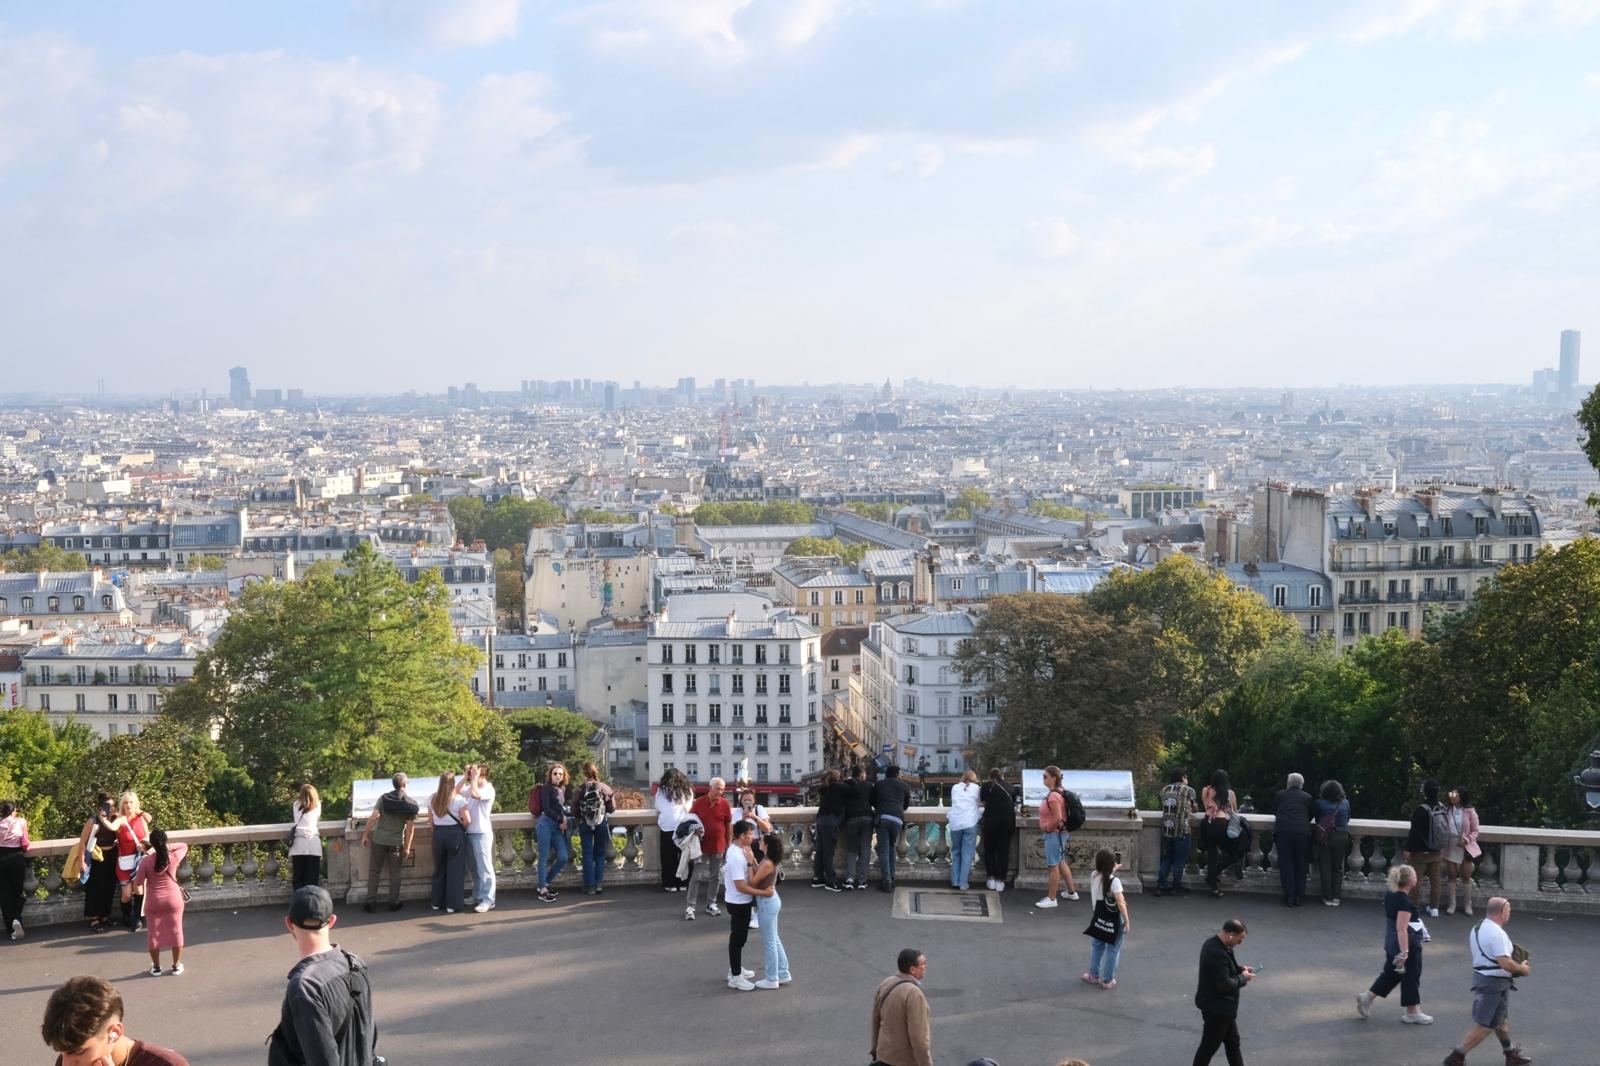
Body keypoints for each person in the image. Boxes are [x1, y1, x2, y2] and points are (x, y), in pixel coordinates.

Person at [268, 885, 380, 1066]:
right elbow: (369, 1033)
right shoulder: (355, 963)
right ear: (332, 921)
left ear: (289, 923)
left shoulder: (304, 987)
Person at [1443, 897, 1533, 1066]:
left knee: (1501, 1021)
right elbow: (1506, 964)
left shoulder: (1478, 927)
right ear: (1502, 912)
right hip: (1493, 984)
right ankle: (1455, 1057)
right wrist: (1522, 969)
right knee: (1485, 1026)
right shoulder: (1497, 934)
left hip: (1485, 979)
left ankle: (1510, 1054)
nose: (1510, 914)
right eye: (1509, 911)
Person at [41, 974, 189, 1065]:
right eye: (62, 1052)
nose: (66, 1064)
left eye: (79, 1052)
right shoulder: (69, 1056)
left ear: (115, 1033)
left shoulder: (168, 1064)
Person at [1354, 863, 1433, 1025]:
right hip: (1405, 943)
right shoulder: (1405, 902)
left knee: (1392, 972)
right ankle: (1412, 1011)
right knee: (1411, 975)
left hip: (1391, 940)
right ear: (1411, 880)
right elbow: (1402, 929)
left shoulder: (1390, 894)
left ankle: (1367, 997)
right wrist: (1405, 952)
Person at [1193, 918, 1255, 1066]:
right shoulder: (1218, 953)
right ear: (1231, 935)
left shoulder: (1213, 944)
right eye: (1239, 940)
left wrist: (1239, 969)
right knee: (1208, 1047)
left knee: (1233, 1043)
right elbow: (1224, 984)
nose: (1240, 944)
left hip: (1222, 1009)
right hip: (1218, 1009)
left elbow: (1222, 971)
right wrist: (1243, 978)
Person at [130, 828, 187, 976]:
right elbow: (183, 845)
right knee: (176, 931)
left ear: (152, 844)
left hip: (154, 901)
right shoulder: (173, 858)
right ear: (165, 841)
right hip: (173, 899)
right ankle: (176, 965)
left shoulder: (146, 861)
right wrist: (165, 847)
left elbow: (139, 882)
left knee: (153, 933)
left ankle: (156, 967)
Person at [359, 772, 417, 914]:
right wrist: (408, 848)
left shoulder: (383, 798)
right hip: (396, 842)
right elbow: (409, 829)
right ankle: (394, 902)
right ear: (405, 784)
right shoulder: (411, 804)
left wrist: (365, 834)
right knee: (395, 873)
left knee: (374, 872)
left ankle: (370, 903)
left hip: (379, 840)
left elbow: (373, 818)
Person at [722, 819, 765, 991]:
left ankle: (735, 969)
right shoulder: (735, 856)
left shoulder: (743, 850)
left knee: (740, 938)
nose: (753, 837)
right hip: (738, 902)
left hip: (741, 901)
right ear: (741, 836)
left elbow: (755, 869)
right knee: (737, 939)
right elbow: (740, 885)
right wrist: (762, 893)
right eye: (750, 834)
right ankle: (735, 977)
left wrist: (752, 860)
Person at [870, 948, 932, 1066]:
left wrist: (875, 1050)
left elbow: (876, 1020)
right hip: (903, 1061)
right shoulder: (914, 994)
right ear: (912, 969)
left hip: (884, 1055)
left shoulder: (886, 983)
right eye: (923, 963)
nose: (926, 966)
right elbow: (919, 1038)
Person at [1082, 848, 1131, 990]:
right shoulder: (1115, 882)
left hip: (1098, 918)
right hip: (1114, 920)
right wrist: (1127, 921)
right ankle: (1108, 980)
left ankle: (1093, 975)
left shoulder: (1094, 876)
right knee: (1113, 949)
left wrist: (1113, 868)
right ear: (1111, 864)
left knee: (1097, 946)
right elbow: (1120, 903)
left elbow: (1105, 877)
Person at [687, 776, 733, 918]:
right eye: (718, 789)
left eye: (722, 789)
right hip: (700, 847)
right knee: (697, 876)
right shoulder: (699, 803)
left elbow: (728, 825)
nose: (720, 792)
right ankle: (690, 906)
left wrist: (729, 844)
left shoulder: (725, 804)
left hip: (719, 846)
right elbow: (689, 821)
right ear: (710, 788)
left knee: (715, 877)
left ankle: (711, 903)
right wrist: (694, 830)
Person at [750, 830, 791, 989]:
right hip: (770, 901)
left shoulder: (768, 862)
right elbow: (759, 873)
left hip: (767, 903)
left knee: (769, 942)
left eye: (761, 840)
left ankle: (772, 977)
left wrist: (748, 863)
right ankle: (782, 972)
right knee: (774, 939)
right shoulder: (768, 860)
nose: (758, 841)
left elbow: (753, 882)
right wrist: (752, 860)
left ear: (766, 845)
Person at [107, 791, 153, 931]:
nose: (128, 805)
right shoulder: (120, 819)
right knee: (126, 894)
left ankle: (137, 918)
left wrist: (143, 844)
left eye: (131, 802)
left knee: (138, 890)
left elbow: (147, 834)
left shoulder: (141, 818)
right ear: (122, 805)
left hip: (139, 860)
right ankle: (126, 916)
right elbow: (112, 827)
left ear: (136, 804)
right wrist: (102, 818)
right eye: (126, 802)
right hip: (124, 862)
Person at [1035, 765, 1080, 907]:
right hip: (1061, 833)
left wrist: (1047, 828)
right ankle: (1072, 892)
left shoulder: (1054, 795)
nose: (1043, 778)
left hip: (1055, 835)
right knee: (1060, 861)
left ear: (1054, 778)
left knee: (1053, 866)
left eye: (1045, 776)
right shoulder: (1061, 791)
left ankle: (1052, 899)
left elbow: (1058, 817)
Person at [75, 792, 120, 932]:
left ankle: (105, 916)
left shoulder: (115, 819)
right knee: (95, 888)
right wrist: (82, 861)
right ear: (100, 806)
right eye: (108, 806)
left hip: (112, 855)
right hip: (96, 856)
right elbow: (82, 842)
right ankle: (94, 918)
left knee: (110, 886)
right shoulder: (92, 821)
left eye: (113, 806)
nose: (111, 809)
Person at [427, 772, 471, 914]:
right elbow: (467, 821)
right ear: (453, 783)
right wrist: (460, 828)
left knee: (439, 869)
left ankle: (436, 902)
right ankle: (452, 904)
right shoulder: (459, 800)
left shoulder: (432, 799)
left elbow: (431, 822)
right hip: (454, 834)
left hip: (438, 834)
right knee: (455, 871)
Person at [456, 763, 497, 912]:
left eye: (475, 774)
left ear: (483, 775)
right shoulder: (471, 785)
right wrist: (465, 777)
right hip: (469, 832)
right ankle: (478, 895)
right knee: (474, 868)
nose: (472, 777)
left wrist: (473, 779)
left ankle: (489, 899)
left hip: (482, 833)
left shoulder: (488, 789)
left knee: (485, 868)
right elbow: (456, 792)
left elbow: (475, 795)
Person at [1404, 779, 1446, 917]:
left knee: (1416, 879)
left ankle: (1414, 906)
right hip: (1436, 850)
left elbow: (1414, 833)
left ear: (1425, 792)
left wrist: (1408, 849)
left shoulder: (1421, 810)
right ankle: (1434, 908)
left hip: (1421, 852)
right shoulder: (1441, 807)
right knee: (1436, 880)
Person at [1272, 773, 1314, 907]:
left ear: (1288, 783)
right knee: (1301, 865)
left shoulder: (1280, 795)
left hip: (1283, 832)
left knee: (1286, 864)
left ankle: (1289, 896)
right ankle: (1299, 896)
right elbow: (1310, 815)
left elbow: (1275, 811)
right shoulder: (1307, 797)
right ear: (1301, 784)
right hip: (1301, 832)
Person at [576, 762, 616, 896]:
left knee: (587, 853)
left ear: (584, 774)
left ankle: (590, 885)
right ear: (596, 772)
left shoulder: (580, 789)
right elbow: (612, 808)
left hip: (585, 823)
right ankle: (599, 883)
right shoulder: (604, 788)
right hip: (601, 823)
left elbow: (574, 809)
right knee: (600, 853)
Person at [1155, 767, 1197, 897]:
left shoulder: (1164, 790)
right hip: (1182, 830)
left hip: (1168, 829)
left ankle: (1161, 885)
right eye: (1186, 777)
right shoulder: (1189, 790)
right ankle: (1176, 887)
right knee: (1180, 860)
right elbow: (1195, 808)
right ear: (1183, 777)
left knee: (1167, 858)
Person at [534, 763, 572, 903]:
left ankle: (546, 882)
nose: (557, 776)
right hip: (545, 824)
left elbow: (562, 808)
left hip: (557, 826)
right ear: (550, 775)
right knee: (543, 857)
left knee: (563, 856)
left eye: (560, 774)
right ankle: (542, 890)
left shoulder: (562, 789)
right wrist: (560, 819)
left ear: (563, 776)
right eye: (555, 773)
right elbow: (547, 808)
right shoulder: (546, 788)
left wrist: (565, 819)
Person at [871, 765, 913, 891]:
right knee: (891, 848)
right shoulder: (904, 786)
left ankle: (886, 881)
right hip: (897, 819)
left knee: (883, 850)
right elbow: (905, 805)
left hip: (883, 817)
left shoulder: (879, 784)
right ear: (897, 774)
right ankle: (892, 878)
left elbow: (872, 801)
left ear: (886, 774)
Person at [1443, 786, 1481, 917]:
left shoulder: (1470, 811)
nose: (1452, 796)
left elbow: (1475, 830)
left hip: (1465, 845)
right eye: (1451, 794)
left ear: (1461, 796)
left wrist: (1467, 840)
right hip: (1450, 844)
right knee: (1452, 874)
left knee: (1466, 875)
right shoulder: (1447, 809)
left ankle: (1467, 904)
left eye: (1455, 794)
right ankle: (1452, 904)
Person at [1201, 771, 1241, 898]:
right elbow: (1234, 810)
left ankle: (1213, 884)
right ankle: (1214, 874)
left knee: (1212, 856)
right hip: (1220, 824)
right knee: (1234, 853)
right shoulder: (1229, 793)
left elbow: (1205, 806)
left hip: (1206, 824)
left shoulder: (1206, 790)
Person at [654, 768, 693, 892]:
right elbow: (689, 807)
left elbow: (659, 806)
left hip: (667, 826)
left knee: (668, 857)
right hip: (683, 826)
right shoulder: (687, 791)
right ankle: (684, 883)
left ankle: (670, 883)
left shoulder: (661, 791)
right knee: (684, 857)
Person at [1314, 780, 1351, 907]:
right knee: (1338, 868)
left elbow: (1318, 820)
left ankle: (1327, 897)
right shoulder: (1345, 803)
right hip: (1342, 836)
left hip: (1326, 836)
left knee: (1325, 867)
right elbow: (1348, 819)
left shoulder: (1320, 804)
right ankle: (1336, 897)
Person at [979, 768, 1015, 892]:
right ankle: (1000, 880)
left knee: (990, 849)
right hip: (1008, 820)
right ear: (1002, 776)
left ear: (990, 776)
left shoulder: (985, 786)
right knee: (1003, 850)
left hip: (991, 819)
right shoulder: (1010, 786)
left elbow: (984, 802)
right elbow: (1014, 803)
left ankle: (991, 878)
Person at [813, 768, 848, 891]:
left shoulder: (824, 788)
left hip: (820, 819)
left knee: (820, 850)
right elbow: (855, 792)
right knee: (828, 852)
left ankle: (817, 877)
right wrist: (850, 781)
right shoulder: (839, 786)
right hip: (830, 821)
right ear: (837, 778)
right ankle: (830, 881)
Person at [947, 770, 981, 891]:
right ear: (974, 778)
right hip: (970, 823)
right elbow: (978, 804)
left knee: (956, 852)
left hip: (955, 823)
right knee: (967, 854)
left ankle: (955, 880)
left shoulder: (955, 787)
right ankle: (963, 883)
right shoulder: (976, 788)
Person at [0, 799, 29, 941]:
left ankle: (10, 929)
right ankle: (17, 919)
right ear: (13, 810)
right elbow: (25, 843)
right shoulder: (21, 822)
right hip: (16, 858)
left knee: (5, 895)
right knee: (18, 892)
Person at [843, 766, 876, 890]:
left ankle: (850, 878)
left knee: (852, 849)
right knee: (865, 849)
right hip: (867, 817)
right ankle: (862, 880)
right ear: (862, 774)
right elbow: (873, 802)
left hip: (851, 818)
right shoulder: (869, 786)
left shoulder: (847, 785)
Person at [288, 784, 322, 892]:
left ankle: (298, 901)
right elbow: (317, 820)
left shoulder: (295, 805)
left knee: (298, 877)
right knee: (312, 878)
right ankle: (311, 903)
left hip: (298, 844)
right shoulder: (317, 805)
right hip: (313, 844)